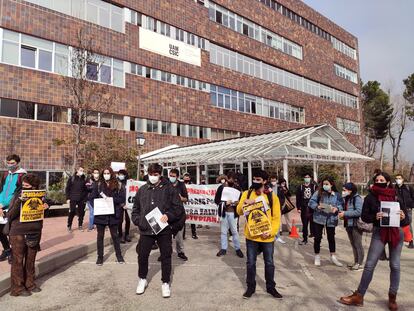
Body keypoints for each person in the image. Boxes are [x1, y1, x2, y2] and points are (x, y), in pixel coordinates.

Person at [339, 172, 408, 310]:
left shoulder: (396, 196)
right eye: (377, 179)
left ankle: (392, 297)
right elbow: (364, 216)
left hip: (396, 233)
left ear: (388, 182)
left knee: (395, 265)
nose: (379, 181)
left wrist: (403, 216)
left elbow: (407, 220)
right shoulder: (371, 197)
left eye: (382, 180)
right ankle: (359, 296)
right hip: (379, 232)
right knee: (370, 264)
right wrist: (375, 216)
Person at [132, 163, 185, 298]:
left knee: (166, 256)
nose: (153, 177)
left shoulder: (170, 189)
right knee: (142, 255)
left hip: (163, 229)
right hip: (146, 229)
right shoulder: (142, 190)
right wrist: (139, 221)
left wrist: (169, 216)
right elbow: (135, 209)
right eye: (151, 174)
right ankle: (142, 279)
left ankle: (165, 282)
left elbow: (178, 208)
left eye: (156, 174)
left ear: (160, 174)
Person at [236, 170, 282, 299]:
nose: (255, 182)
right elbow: (239, 211)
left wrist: (271, 231)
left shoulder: (272, 196)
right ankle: (250, 287)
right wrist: (245, 203)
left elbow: (276, 217)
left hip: (267, 236)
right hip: (251, 236)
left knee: (269, 262)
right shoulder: (247, 193)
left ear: (265, 181)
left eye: (258, 180)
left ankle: (271, 287)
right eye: (254, 179)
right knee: (251, 262)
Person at [7, 174, 49, 296]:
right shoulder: (18, 195)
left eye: (28, 186)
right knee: (18, 260)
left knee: (31, 260)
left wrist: (45, 208)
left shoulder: (41, 197)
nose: (24, 187)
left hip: (35, 231)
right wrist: (19, 202)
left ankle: (30, 284)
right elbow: (10, 215)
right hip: (18, 232)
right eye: (23, 185)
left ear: (35, 186)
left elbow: (41, 216)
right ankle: (17, 288)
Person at [90, 167, 126, 265]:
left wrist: (111, 200)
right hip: (101, 215)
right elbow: (91, 198)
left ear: (111, 174)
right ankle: (100, 257)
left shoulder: (118, 185)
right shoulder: (97, 185)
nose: (106, 175)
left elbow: (122, 198)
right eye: (104, 173)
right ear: (102, 174)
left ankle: (119, 256)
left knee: (115, 236)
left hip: (113, 215)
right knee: (100, 236)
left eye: (108, 173)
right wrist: (97, 206)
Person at [308, 176, 344, 267]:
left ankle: (333, 256)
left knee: (331, 238)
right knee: (318, 238)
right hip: (319, 218)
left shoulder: (337, 195)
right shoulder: (318, 193)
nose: (325, 186)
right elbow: (311, 202)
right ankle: (317, 256)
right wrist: (317, 206)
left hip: (331, 219)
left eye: (327, 184)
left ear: (331, 184)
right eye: (324, 184)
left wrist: (337, 208)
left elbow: (341, 205)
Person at [0, 154, 26, 263]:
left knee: (11, 231)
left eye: (12, 163)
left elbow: (17, 193)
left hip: (13, 207)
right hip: (1, 206)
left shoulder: (22, 175)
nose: (10, 165)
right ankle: (7, 250)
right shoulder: (6, 174)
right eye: (8, 163)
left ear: (18, 163)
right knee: (0, 231)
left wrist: (4, 204)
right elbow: (1, 189)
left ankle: (14, 253)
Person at [215, 171, 243, 258]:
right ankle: (223, 248)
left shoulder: (237, 188)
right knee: (223, 232)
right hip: (224, 212)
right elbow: (216, 200)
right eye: (230, 179)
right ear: (227, 178)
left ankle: (238, 248)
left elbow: (241, 200)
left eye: (234, 180)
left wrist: (238, 202)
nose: (232, 181)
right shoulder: (221, 188)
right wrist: (224, 203)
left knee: (234, 231)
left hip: (233, 213)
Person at [339, 182, 364, 270]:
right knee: (353, 244)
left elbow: (359, 211)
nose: (343, 191)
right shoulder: (347, 198)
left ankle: (360, 264)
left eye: (344, 190)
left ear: (350, 190)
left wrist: (345, 213)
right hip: (348, 224)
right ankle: (356, 262)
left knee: (358, 244)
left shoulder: (357, 198)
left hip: (355, 225)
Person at [169, 168, 189, 261]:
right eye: (170, 175)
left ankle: (180, 252)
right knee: (165, 236)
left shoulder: (181, 185)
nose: (171, 177)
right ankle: (165, 252)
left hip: (179, 214)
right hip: (168, 213)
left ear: (177, 177)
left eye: (173, 176)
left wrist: (181, 198)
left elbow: (186, 198)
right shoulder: (166, 184)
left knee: (179, 236)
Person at [296, 173, 317, 245]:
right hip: (304, 208)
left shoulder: (314, 186)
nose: (307, 178)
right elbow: (298, 198)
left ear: (310, 178)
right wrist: (298, 208)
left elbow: (318, 196)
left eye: (308, 177)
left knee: (314, 224)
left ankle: (315, 239)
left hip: (312, 208)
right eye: (305, 177)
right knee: (304, 224)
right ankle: (305, 239)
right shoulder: (301, 187)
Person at [65, 166, 88, 232]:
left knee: (81, 213)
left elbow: (86, 190)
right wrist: (68, 198)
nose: (82, 172)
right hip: (73, 198)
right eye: (81, 170)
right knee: (71, 212)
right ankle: (69, 226)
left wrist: (85, 199)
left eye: (83, 170)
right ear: (77, 170)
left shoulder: (84, 179)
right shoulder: (72, 178)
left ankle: (80, 225)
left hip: (82, 199)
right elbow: (67, 189)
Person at [394, 174, 414, 248]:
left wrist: (411, 205)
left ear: (403, 179)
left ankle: (410, 240)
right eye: (396, 178)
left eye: (399, 178)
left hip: (408, 209)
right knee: (397, 225)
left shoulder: (408, 188)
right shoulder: (394, 189)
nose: (398, 180)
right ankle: (399, 240)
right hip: (398, 210)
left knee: (408, 224)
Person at [269, 175, 285, 244]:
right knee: (269, 221)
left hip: (278, 207)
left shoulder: (280, 188)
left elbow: (282, 198)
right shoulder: (268, 187)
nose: (273, 182)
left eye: (274, 180)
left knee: (277, 221)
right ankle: (271, 235)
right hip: (269, 207)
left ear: (277, 180)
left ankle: (277, 236)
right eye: (272, 180)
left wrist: (280, 204)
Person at [117, 169, 131, 243]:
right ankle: (120, 235)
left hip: (128, 204)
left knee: (128, 220)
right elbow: (115, 194)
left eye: (122, 174)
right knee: (120, 221)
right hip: (119, 204)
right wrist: (121, 204)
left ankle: (127, 234)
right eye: (119, 174)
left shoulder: (128, 182)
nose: (121, 176)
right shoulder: (116, 183)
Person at [182, 173, 198, 239]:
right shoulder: (181, 185)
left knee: (192, 220)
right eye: (185, 178)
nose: (186, 179)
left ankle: (194, 234)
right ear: (183, 178)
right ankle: (183, 235)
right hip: (183, 205)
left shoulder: (192, 185)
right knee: (183, 221)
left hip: (191, 205)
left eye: (187, 178)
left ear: (189, 178)